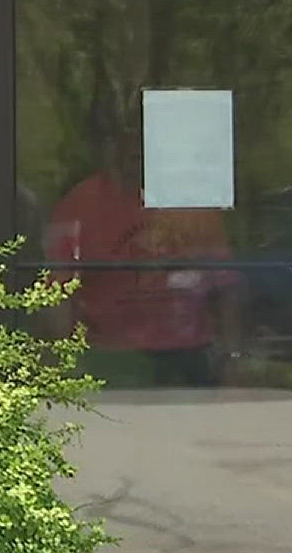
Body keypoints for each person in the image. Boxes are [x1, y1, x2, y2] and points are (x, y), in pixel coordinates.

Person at [42, 113, 244, 388]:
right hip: (110, 354)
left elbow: (225, 286)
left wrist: (231, 354)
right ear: (110, 152)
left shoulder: (192, 202)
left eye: (144, 151)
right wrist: (63, 359)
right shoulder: (80, 203)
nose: (135, 159)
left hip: (190, 350)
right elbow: (59, 289)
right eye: (128, 150)